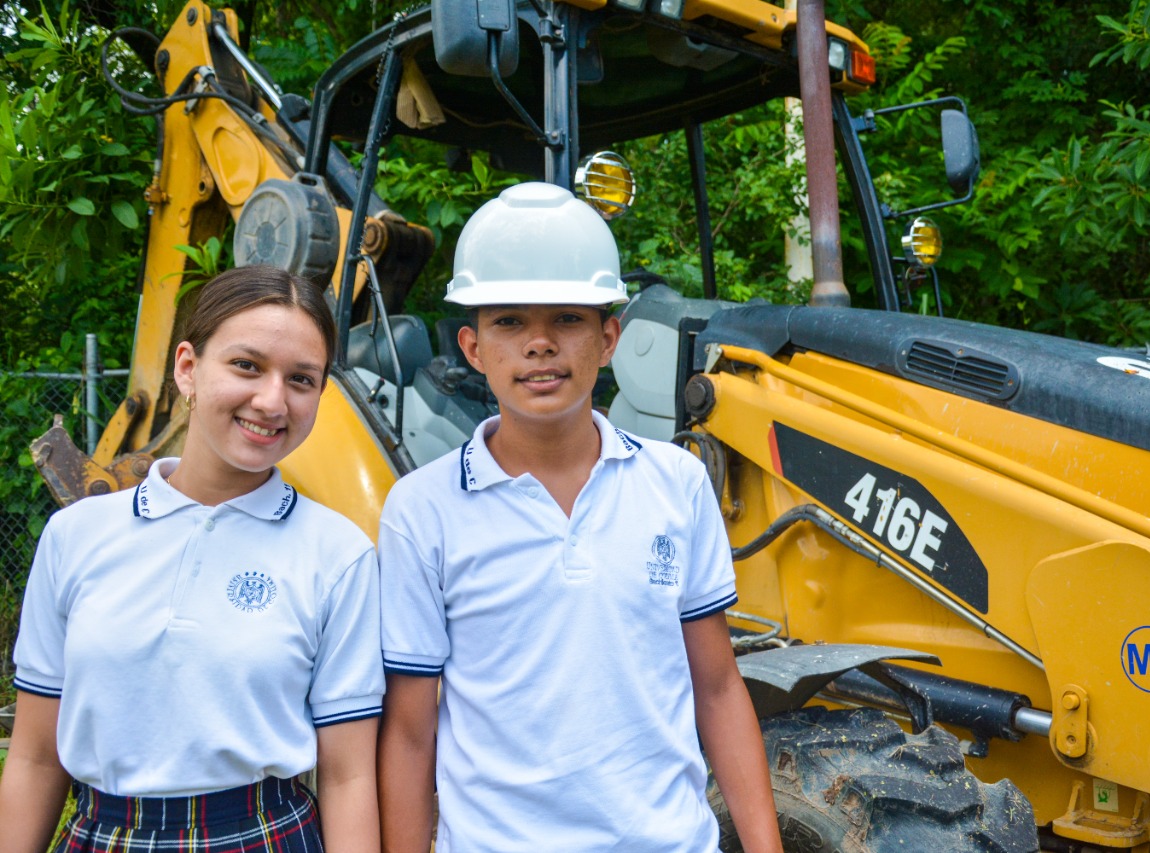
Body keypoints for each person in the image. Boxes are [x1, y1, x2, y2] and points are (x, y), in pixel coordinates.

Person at [377, 182, 783, 851]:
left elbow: (716, 686)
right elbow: (412, 729)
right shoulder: (423, 511)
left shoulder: (675, 482)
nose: (539, 343)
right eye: (509, 321)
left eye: (567, 318)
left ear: (608, 338)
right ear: (474, 348)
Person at [0, 265, 383, 853]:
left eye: (302, 379)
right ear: (188, 368)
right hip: (102, 835)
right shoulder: (75, 536)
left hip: (263, 835)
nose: (272, 399)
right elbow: (33, 758)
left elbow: (348, 775)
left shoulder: (339, 555)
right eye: (247, 365)